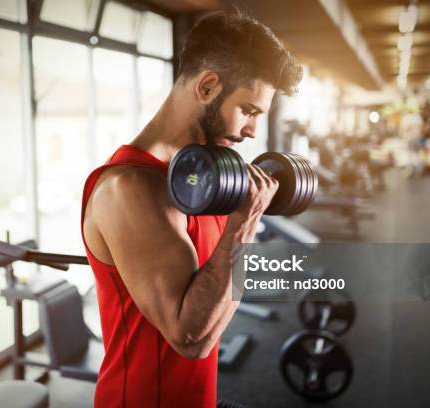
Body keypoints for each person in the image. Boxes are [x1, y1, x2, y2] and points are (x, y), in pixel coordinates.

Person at [81, 11, 301, 408]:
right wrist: (243, 225)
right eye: (248, 110)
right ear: (208, 86)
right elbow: (190, 339)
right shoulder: (129, 188)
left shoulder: (205, 179)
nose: (252, 131)